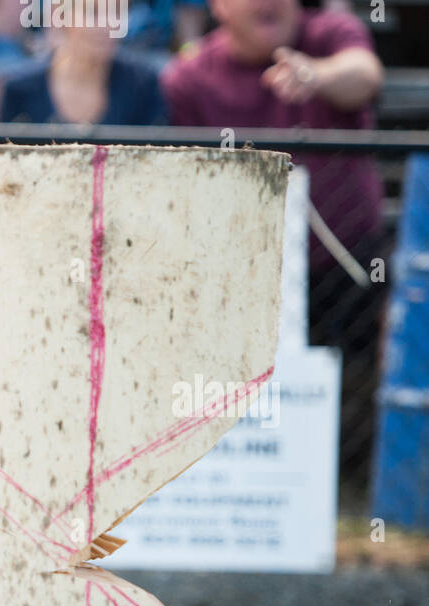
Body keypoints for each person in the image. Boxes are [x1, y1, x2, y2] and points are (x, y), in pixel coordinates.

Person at [160, 0, 386, 473]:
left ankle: (354, 477)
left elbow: (364, 74)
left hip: (346, 265)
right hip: (243, 275)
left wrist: (315, 75)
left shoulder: (329, 32)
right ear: (219, 7)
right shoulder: (190, 75)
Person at [0, 1, 167, 125]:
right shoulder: (20, 89)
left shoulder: (143, 86)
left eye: (116, 12)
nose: (107, 25)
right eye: (92, 12)